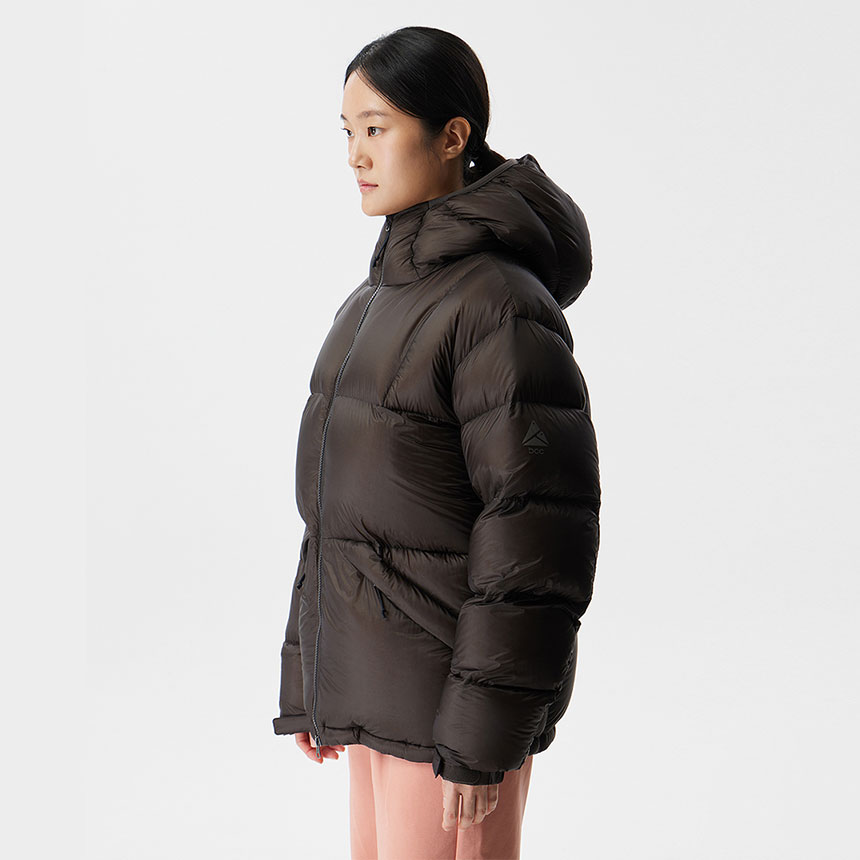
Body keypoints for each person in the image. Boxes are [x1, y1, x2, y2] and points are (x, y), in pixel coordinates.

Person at [272, 25, 601, 860]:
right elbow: (335, 510)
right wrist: (312, 673)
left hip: (450, 710)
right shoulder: (371, 302)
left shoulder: (498, 304)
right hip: (378, 691)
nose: (355, 154)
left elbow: (536, 533)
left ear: (453, 136)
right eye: (347, 130)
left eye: (376, 128)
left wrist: (484, 732)